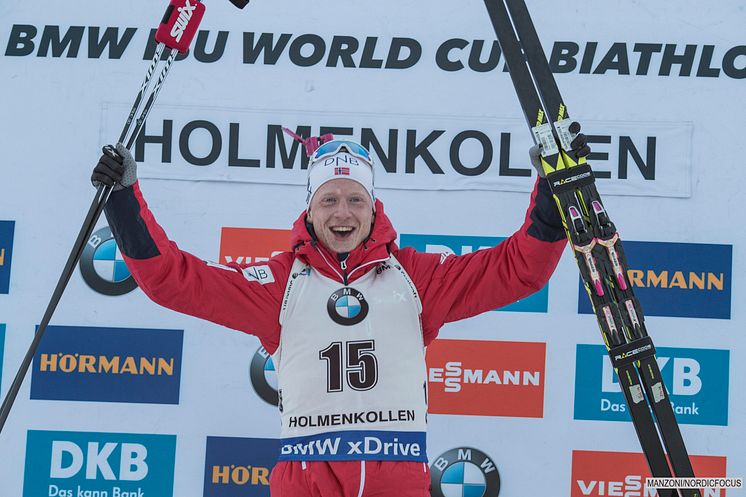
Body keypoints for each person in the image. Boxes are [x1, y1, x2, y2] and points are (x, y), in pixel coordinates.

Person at [91, 132, 589, 496]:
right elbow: (175, 281)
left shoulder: (416, 278)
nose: (342, 214)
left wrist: (551, 192)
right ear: (309, 209)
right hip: (307, 481)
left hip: (396, 482)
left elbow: (518, 270)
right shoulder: (280, 284)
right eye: (329, 200)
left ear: (375, 208)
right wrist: (122, 198)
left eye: (355, 199)